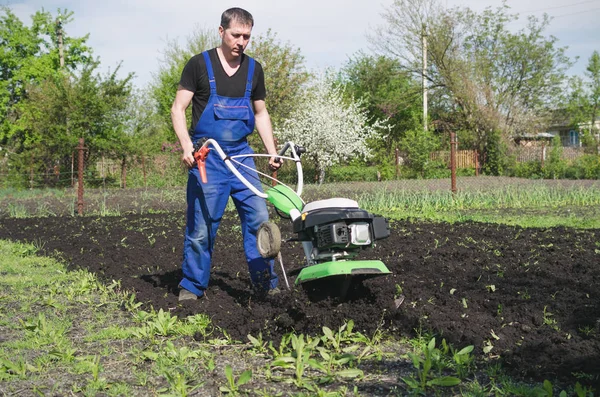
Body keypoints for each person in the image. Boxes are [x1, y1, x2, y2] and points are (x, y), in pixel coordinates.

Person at [171, 7, 281, 301]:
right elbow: (178, 109)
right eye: (236, 35)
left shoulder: (253, 69)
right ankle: (192, 285)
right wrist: (186, 146)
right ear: (221, 32)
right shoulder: (198, 65)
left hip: (243, 157)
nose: (241, 41)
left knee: (259, 219)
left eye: (246, 36)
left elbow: (260, 113)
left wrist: (271, 151)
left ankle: (266, 285)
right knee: (203, 226)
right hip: (209, 158)